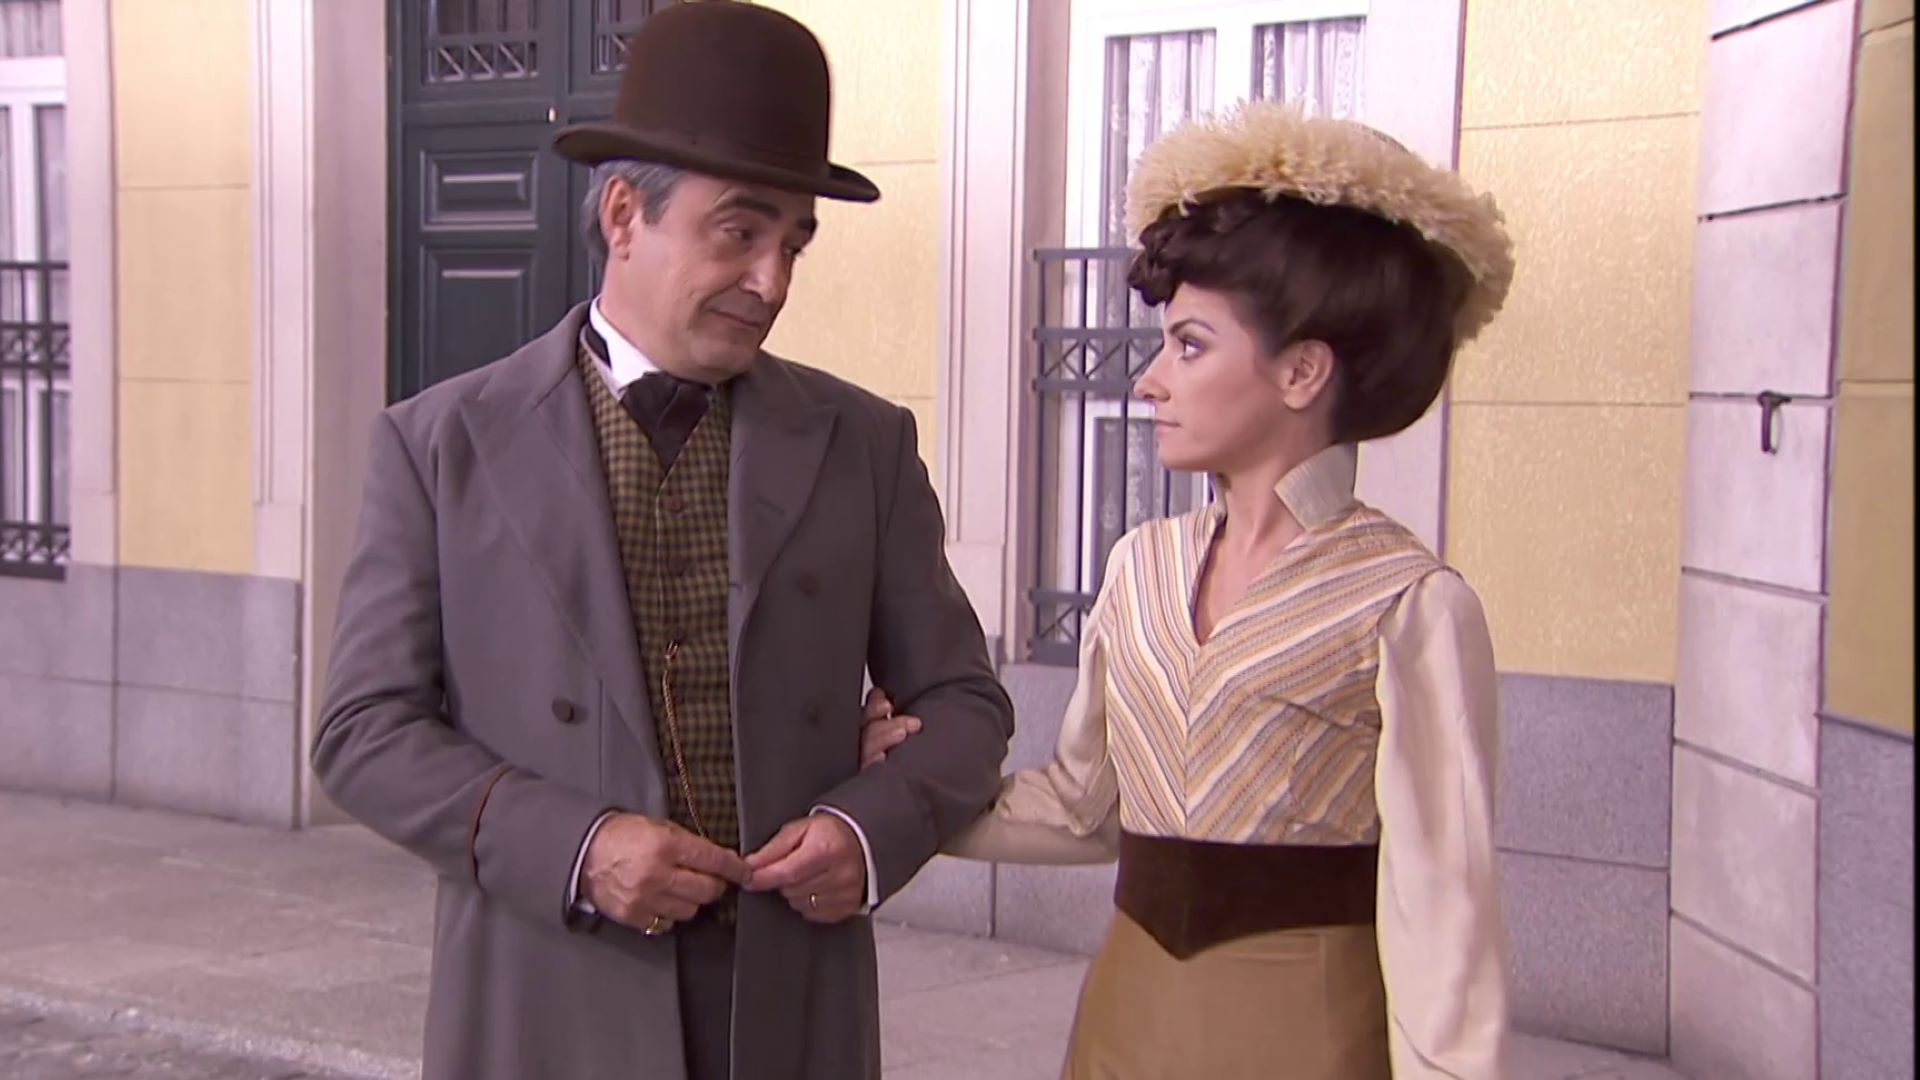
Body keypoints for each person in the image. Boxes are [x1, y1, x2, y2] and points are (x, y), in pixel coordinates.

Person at [311, 5, 1013, 1079]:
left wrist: (870, 831)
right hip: (544, 1000)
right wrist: (577, 848)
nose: (772, 282)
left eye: (794, 244)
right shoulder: (438, 444)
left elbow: (965, 703)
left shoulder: (864, 445)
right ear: (624, 215)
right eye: (739, 233)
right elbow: (362, 732)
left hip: (788, 1010)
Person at [863, 102, 1517, 1078]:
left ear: (1302, 371)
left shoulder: (1407, 603)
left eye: (1191, 345)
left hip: (1307, 1035)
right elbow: (1082, 809)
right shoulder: (1142, 566)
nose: (1151, 381)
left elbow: (1446, 908)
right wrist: (901, 787)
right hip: (1126, 1020)